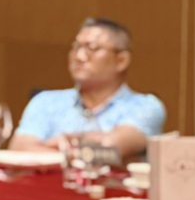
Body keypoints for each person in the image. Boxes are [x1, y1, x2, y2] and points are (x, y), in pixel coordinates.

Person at [9, 18, 165, 156]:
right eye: (76, 47)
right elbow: (18, 149)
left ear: (121, 61)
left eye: (93, 48)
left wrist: (65, 141)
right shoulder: (45, 102)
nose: (79, 56)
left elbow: (109, 148)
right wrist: (80, 150)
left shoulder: (146, 106)